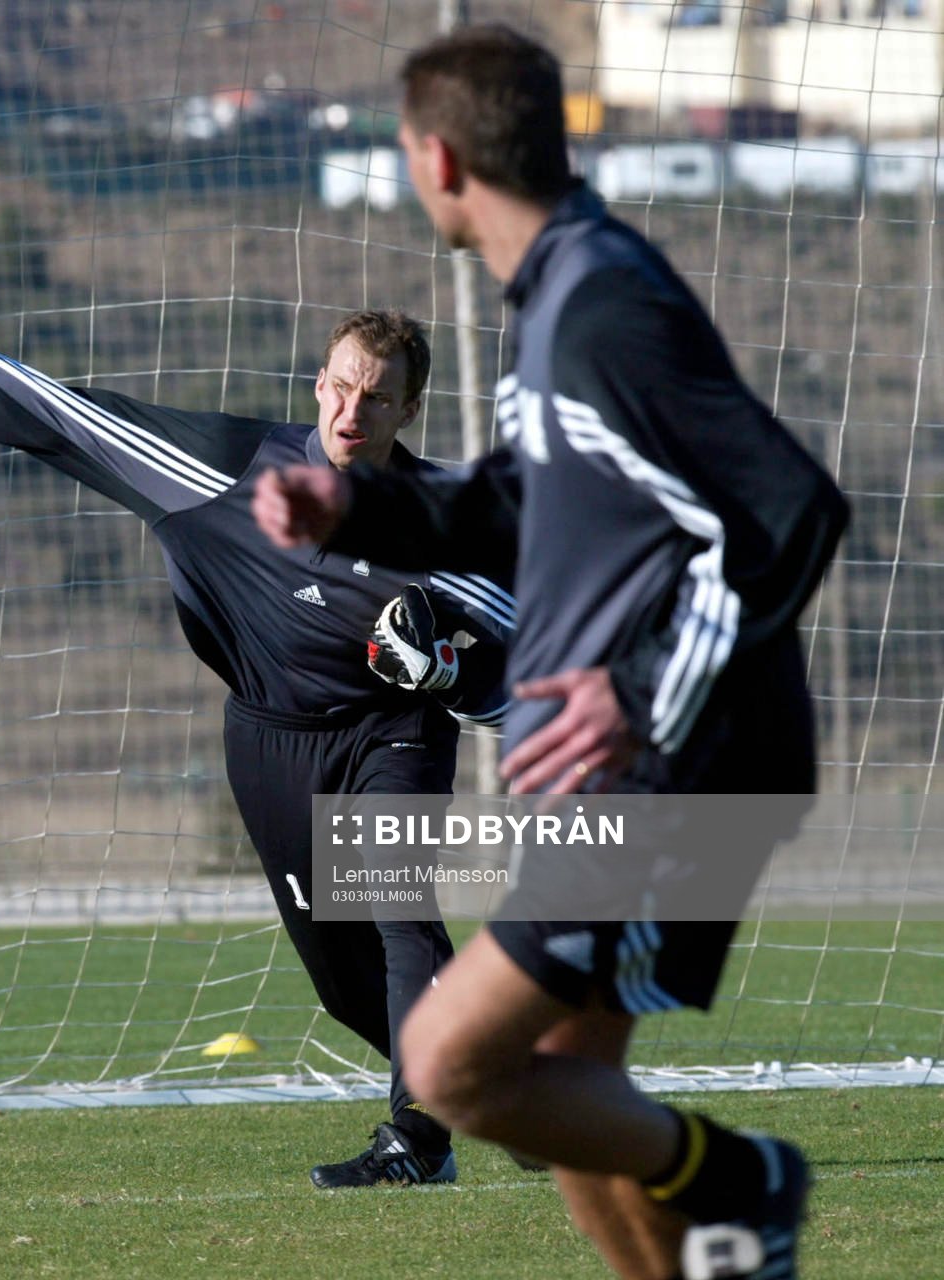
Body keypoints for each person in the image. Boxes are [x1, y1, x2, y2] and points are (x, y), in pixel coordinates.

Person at [252, 26, 847, 1280]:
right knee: (575, 1113)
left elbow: (792, 512)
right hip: (656, 765)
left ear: (440, 157)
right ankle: (715, 1236)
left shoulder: (601, 308)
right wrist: (360, 511)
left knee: (454, 1063)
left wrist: (637, 698)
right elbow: (525, 501)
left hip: (679, 768)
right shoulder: (561, 295)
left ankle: (745, 1175)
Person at [0, 308, 514, 1188]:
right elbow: (73, 420)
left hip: (392, 739)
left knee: (399, 913)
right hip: (269, 747)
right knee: (346, 988)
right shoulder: (225, 472)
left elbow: (523, 688)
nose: (354, 411)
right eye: (342, 387)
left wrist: (447, 673)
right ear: (318, 384)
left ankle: (417, 1142)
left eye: (379, 398)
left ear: (409, 412)